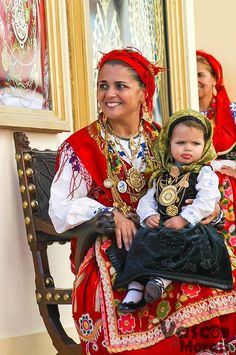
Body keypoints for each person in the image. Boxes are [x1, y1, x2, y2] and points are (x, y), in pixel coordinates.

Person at [49, 48, 236, 354]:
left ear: (143, 92)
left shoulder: (165, 139)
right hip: (116, 244)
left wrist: (209, 209)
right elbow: (60, 211)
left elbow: (196, 177)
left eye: (120, 86)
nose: (109, 94)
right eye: (103, 85)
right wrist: (110, 214)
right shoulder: (80, 146)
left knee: (219, 263)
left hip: (172, 234)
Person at [111, 109, 233, 314]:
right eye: (180, 143)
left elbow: (207, 201)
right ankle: (135, 287)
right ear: (169, 144)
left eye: (195, 144)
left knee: (187, 243)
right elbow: (146, 200)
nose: (188, 148)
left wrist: (185, 218)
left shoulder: (204, 173)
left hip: (189, 227)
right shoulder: (161, 175)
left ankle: (160, 281)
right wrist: (149, 215)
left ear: (205, 146)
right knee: (142, 240)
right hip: (163, 224)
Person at [196, 50, 236, 245]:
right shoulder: (183, 115)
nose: (195, 80)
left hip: (231, 190)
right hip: (196, 189)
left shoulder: (233, 112)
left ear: (214, 80)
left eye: (200, 75)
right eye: (191, 75)